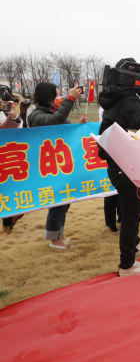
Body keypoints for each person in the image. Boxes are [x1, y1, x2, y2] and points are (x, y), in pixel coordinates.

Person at [98, 58, 140, 276]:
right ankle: (127, 264)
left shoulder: (116, 98)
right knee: (132, 212)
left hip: (120, 164)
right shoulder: (128, 101)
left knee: (134, 209)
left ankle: (133, 246)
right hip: (126, 165)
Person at [26, 82, 86, 250]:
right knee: (58, 202)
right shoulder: (36, 115)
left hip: (60, 163)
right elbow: (56, 120)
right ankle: (54, 239)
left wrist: (79, 125)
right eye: (56, 95)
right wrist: (71, 98)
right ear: (48, 97)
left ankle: (59, 234)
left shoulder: (50, 111)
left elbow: (64, 125)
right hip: (48, 165)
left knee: (64, 200)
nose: (58, 97)